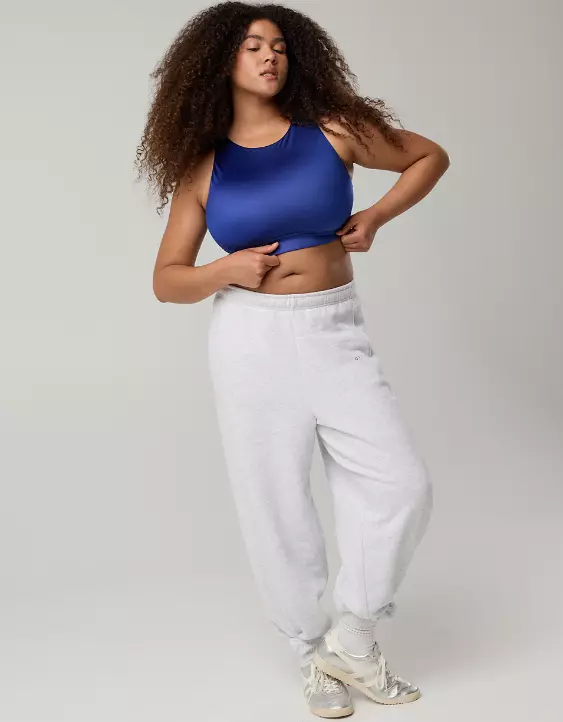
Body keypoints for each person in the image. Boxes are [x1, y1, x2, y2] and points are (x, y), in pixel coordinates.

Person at [135, 2, 450, 717]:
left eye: (278, 45)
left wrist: (375, 216)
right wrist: (224, 270)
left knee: (401, 483)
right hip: (251, 340)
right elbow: (166, 280)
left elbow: (428, 155)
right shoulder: (203, 166)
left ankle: (353, 634)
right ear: (220, 62)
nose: (269, 56)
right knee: (273, 499)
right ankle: (311, 652)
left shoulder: (332, 129)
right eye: (251, 46)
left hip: (334, 328)